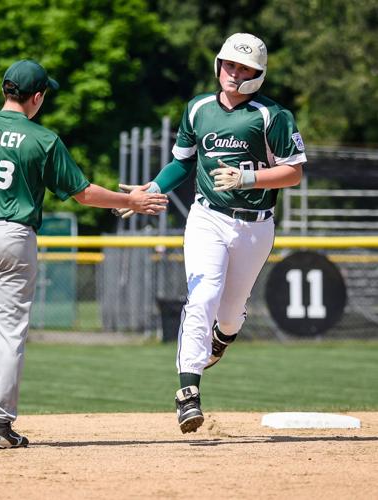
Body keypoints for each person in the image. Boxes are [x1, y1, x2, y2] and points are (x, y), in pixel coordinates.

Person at [0, 59, 168, 449]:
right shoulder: (43, 139)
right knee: (9, 334)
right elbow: (83, 193)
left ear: (5, 91)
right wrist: (129, 199)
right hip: (15, 236)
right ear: (36, 97)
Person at [117, 33, 306, 433]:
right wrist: (150, 191)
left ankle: (222, 337)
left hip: (255, 226)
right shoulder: (198, 108)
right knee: (201, 295)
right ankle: (188, 392)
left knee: (232, 314)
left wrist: (247, 177)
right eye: (229, 65)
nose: (234, 74)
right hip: (208, 218)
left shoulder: (271, 115)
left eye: (244, 68)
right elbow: (181, 164)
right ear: (218, 64)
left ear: (258, 74)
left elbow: (293, 172)